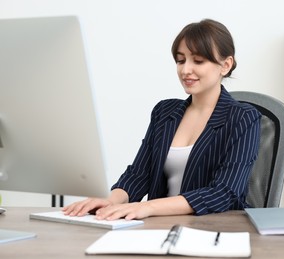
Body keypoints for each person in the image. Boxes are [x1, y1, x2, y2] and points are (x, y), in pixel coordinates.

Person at [63, 18, 261, 221]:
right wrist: (112, 200)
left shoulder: (243, 118)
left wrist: (148, 207)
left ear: (225, 65)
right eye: (181, 60)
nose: (185, 70)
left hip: (214, 228)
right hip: (160, 226)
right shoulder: (164, 112)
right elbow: (139, 174)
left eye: (198, 61)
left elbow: (224, 193)